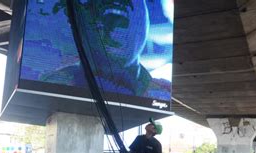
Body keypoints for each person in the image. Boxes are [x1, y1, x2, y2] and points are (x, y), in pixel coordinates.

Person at [41, 0, 171, 101]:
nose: (114, 28)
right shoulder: (55, 84)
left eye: (121, 18)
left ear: (145, 20)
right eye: (106, 16)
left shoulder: (162, 94)